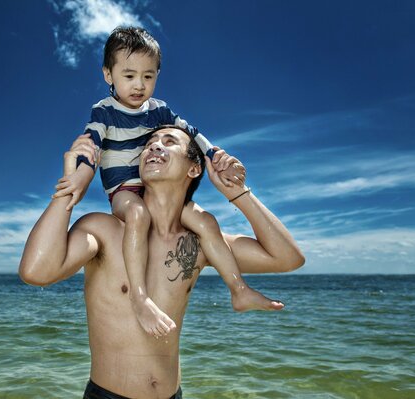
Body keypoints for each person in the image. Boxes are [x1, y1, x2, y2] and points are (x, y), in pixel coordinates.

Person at [20, 125, 305, 398]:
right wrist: (69, 190)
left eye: (169, 142)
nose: (154, 145)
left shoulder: (202, 243)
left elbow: (287, 258)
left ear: (194, 169)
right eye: (149, 144)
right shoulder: (104, 230)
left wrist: (237, 192)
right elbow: (36, 272)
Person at [54, 26, 280, 339]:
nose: (139, 85)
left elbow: (193, 134)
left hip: (153, 190)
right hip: (123, 190)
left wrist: (217, 156)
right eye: (129, 75)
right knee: (137, 215)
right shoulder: (103, 111)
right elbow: (90, 145)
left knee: (205, 221)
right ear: (108, 75)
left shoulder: (159, 109)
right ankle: (139, 296)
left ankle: (239, 290)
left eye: (148, 76)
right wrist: (78, 180)